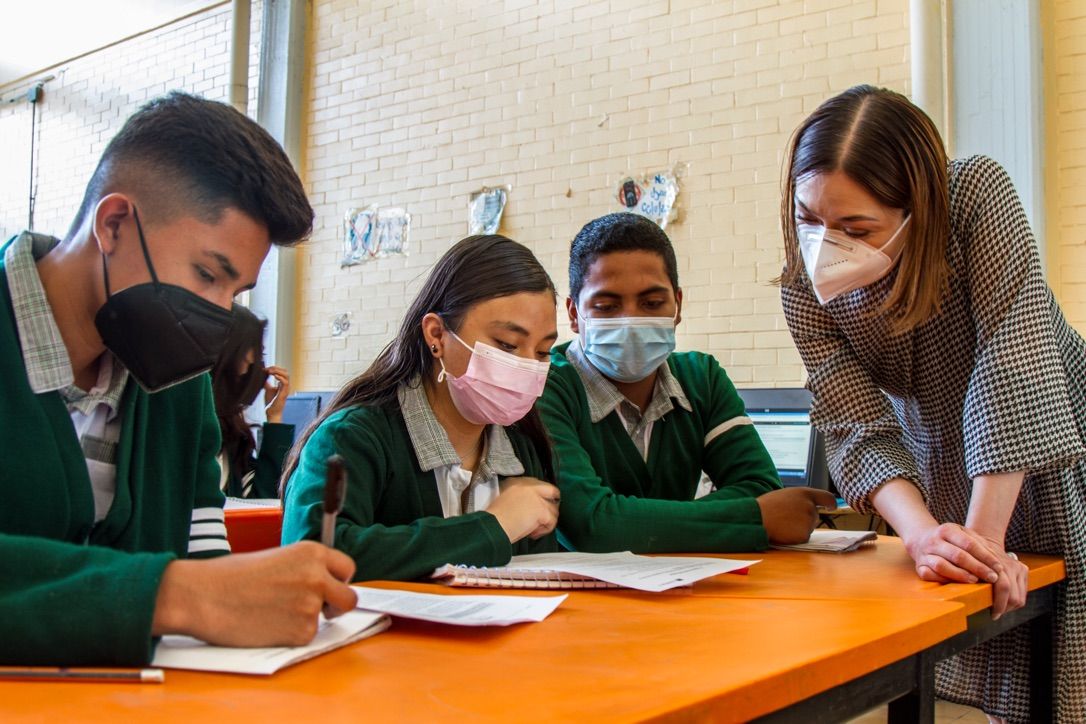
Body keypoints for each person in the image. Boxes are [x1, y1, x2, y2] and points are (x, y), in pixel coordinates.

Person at [0, 92, 358, 666]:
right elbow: (190, 593)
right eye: (206, 274)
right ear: (113, 224)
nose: (217, 314)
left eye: (234, 292)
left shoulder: (177, 378)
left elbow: (205, 568)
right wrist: (169, 595)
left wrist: (257, 596)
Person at [778, 84, 1086, 723]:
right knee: (992, 631)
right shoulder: (800, 290)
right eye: (809, 219)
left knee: (1065, 646)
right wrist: (923, 538)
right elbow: (856, 424)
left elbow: (1013, 359)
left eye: (856, 227)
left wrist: (984, 537)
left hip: (1050, 439)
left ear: (918, 208)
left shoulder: (972, 195)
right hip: (947, 466)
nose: (823, 246)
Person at [537, 212, 835, 554]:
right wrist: (754, 518)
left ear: (677, 305)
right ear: (574, 314)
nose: (631, 320)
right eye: (606, 306)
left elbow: (761, 489)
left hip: (686, 593)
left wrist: (632, 522)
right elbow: (591, 526)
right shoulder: (548, 387)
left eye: (652, 303)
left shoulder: (701, 378)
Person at [281, 235, 562, 581]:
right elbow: (313, 556)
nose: (525, 366)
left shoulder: (523, 449)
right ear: (436, 334)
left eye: (543, 351)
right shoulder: (352, 437)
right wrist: (494, 526)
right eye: (506, 344)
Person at [211, 304, 294, 498]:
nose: (257, 363)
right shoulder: (192, 417)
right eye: (256, 350)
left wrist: (274, 416)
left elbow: (262, 497)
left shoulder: (231, 426)